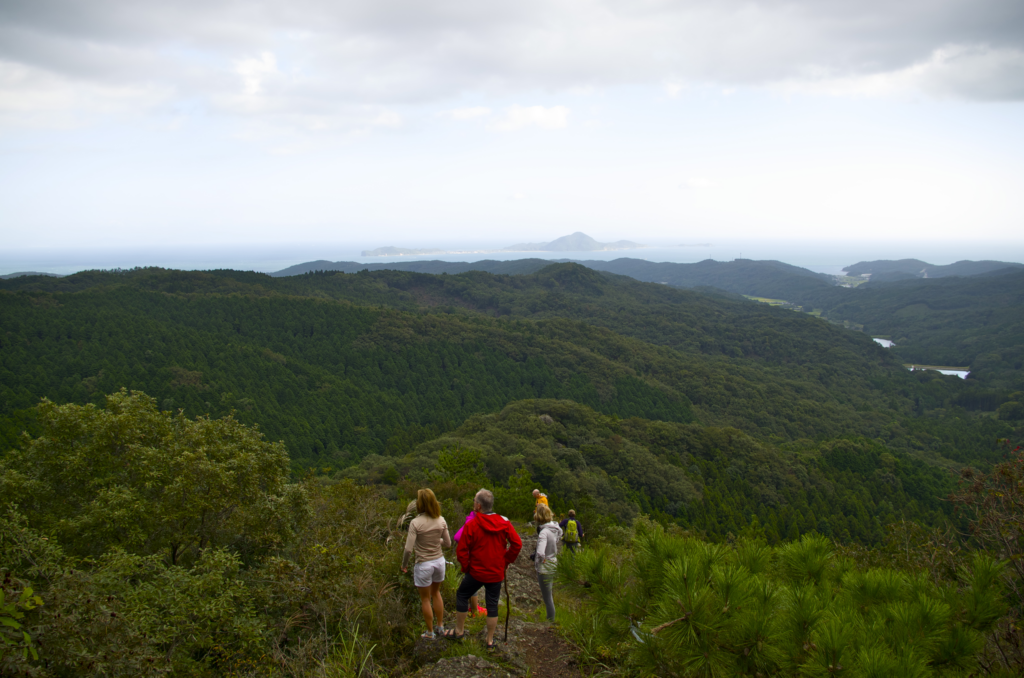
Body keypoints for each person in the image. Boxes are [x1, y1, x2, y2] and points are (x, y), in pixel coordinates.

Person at [444, 489, 522, 648]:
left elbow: (462, 550)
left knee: (462, 594)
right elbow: (517, 544)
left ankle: (459, 631)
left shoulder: (472, 524)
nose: (473, 503)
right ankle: (490, 640)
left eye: (474, 501)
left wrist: (466, 567)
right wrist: (505, 561)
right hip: (495, 573)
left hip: (476, 572)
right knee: (492, 603)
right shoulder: (504, 523)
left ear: (478, 506)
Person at [401, 489, 451, 639]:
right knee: (436, 593)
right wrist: (436, 541)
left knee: (425, 599)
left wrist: (404, 564)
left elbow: (408, 549)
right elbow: (447, 543)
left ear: (419, 504)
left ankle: (430, 632)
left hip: (424, 564)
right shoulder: (441, 520)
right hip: (439, 562)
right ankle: (440, 626)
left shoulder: (415, 523)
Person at [534, 503, 562, 623]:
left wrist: (540, 559)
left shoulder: (544, 532)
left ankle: (551, 621)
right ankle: (551, 620)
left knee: (547, 597)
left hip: (545, 567)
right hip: (553, 563)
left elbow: (540, 552)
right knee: (549, 595)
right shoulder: (555, 529)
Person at [452, 510, 482, 617]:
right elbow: (457, 537)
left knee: (471, 583)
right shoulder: (473, 520)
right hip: (474, 556)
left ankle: (473, 608)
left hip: (470, 556)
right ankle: (474, 610)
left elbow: (457, 537)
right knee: (472, 584)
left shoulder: (472, 519)